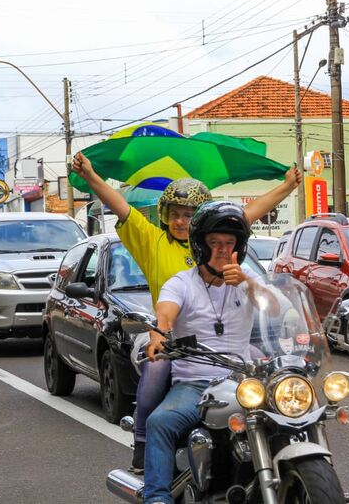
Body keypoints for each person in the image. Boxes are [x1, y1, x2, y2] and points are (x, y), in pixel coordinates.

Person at [71, 151, 302, 472]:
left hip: (223, 339)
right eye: (175, 213)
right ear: (164, 215)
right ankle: (142, 443)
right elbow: (119, 206)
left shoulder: (214, 242)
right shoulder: (151, 240)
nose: (181, 221)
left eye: (190, 214)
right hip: (170, 336)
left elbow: (249, 213)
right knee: (156, 367)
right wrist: (91, 177)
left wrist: (288, 186)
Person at [143, 201, 260, 504]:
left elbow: (277, 308)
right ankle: (157, 498)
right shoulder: (181, 283)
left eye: (229, 243)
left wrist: (247, 284)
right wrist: (159, 334)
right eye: (214, 243)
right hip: (196, 384)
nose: (222, 250)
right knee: (160, 422)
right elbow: (166, 314)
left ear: (240, 247)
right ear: (200, 246)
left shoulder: (247, 280)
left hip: (243, 382)